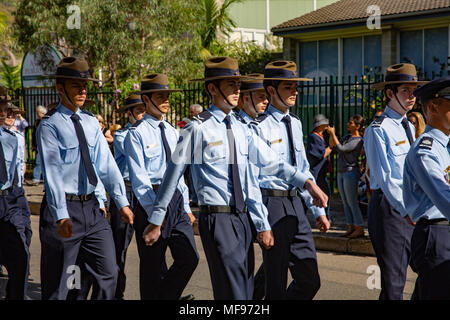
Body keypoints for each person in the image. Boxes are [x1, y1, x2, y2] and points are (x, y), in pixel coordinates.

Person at [143, 57, 328, 300]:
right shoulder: (196, 128)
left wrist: (306, 183)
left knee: (244, 293)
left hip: (242, 218)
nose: (237, 90)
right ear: (212, 88)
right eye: (230, 85)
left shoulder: (242, 128)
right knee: (236, 295)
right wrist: (157, 219)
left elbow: (267, 166)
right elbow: (173, 174)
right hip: (217, 218)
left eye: (238, 84)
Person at [37, 57, 134, 300]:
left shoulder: (91, 122)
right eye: (75, 86)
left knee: (108, 272)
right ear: (61, 89)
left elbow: (107, 165)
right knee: (64, 283)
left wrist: (121, 201)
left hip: (92, 208)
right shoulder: (50, 126)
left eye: (85, 85)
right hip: (65, 208)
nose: (82, 91)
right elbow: (52, 173)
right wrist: (61, 214)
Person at [251, 61, 330, 300]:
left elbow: (302, 168)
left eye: (296, 86)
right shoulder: (259, 126)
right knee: (275, 279)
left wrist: (318, 211)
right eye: (288, 87)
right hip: (272, 203)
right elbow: (267, 169)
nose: (295, 91)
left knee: (309, 280)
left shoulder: (295, 123)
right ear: (272, 91)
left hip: (296, 203)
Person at [124, 73, 199, 300]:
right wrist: (154, 213)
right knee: (152, 268)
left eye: (167, 96)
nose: (166, 100)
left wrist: (185, 205)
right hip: (151, 199)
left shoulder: (172, 131)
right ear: (146, 100)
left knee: (189, 258)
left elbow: (178, 174)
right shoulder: (135, 134)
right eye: (160, 96)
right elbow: (139, 179)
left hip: (175, 198)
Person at [364, 63, 427, 300]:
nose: (412, 97)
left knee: (430, 269)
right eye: (405, 91)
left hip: (411, 207)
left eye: (414, 91)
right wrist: (407, 210)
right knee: (394, 282)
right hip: (391, 209)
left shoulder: (409, 126)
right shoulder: (378, 130)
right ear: (390, 93)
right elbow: (385, 178)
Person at [403, 77, 450, 299]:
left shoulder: (446, 146)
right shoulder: (426, 150)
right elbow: (444, 196)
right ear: (433, 107)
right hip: (437, 233)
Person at [109, 95, 146, 300]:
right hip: (127, 191)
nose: (142, 115)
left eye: (144, 110)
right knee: (120, 245)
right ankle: (116, 293)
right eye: (138, 111)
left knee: (152, 243)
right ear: (129, 114)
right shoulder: (124, 135)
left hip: (144, 191)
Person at [0, 87, 31, 300]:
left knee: (21, 253)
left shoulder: (12, 137)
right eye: (2, 107)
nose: (5, 112)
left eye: (6, 107)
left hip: (10, 197)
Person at [328, 114, 365, 238]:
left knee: (352, 202)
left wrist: (333, 134)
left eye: (351, 123)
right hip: (341, 172)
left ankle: (359, 227)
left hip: (350, 172)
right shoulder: (347, 137)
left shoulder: (358, 140)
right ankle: (350, 226)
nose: (348, 124)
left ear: (358, 126)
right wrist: (332, 135)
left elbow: (342, 149)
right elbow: (335, 146)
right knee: (345, 202)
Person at [306, 114, 332, 220]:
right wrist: (330, 147)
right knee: (319, 194)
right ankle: (324, 216)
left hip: (321, 172)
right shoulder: (314, 137)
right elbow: (320, 155)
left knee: (324, 193)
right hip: (316, 172)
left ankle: (325, 215)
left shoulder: (319, 137)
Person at [28, 105, 47, 186]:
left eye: (38, 113)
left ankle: (46, 179)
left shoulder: (47, 121)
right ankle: (36, 179)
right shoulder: (37, 122)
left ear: (43, 113)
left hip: (46, 145)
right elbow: (34, 134)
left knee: (47, 163)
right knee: (38, 162)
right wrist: (33, 145)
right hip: (39, 145)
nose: (37, 114)